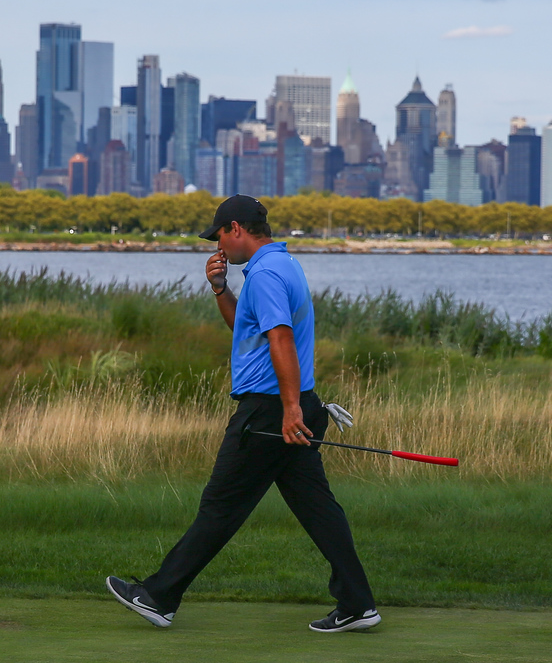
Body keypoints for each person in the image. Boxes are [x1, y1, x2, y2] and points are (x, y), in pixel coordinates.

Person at [105, 194, 379, 633]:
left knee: (221, 506)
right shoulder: (280, 264)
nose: (217, 248)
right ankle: (358, 604)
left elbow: (281, 341)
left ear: (236, 228)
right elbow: (248, 329)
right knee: (318, 509)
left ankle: (158, 596)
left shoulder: (266, 273)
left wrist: (289, 410)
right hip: (293, 404)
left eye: (219, 237)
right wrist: (220, 289)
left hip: (270, 413)